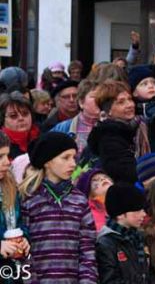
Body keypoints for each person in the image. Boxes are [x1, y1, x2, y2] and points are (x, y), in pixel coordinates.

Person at [20, 132, 97, 283]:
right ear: (47, 161)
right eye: (65, 157)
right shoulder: (28, 200)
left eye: (74, 157)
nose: (73, 164)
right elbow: (23, 253)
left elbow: (88, 250)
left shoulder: (80, 200)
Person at [87, 80, 150, 184]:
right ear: (108, 111)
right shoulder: (108, 137)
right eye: (121, 102)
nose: (129, 105)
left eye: (130, 99)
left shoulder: (138, 126)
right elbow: (127, 174)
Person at [96, 183, 155, 283]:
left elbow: (149, 274)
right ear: (120, 214)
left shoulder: (137, 238)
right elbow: (109, 280)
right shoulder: (105, 244)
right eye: (137, 210)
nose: (144, 214)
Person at [0, 132, 31, 284]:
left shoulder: (10, 184)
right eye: (0, 157)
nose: (7, 162)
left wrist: (24, 238)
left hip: (11, 273)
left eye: (7, 155)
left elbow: (19, 223)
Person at [51, 79, 100, 159]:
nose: (100, 100)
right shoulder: (62, 128)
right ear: (81, 102)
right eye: (94, 97)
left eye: (103, 97)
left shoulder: (112, 127)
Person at [0, 91, 40, 159]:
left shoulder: (42, 135)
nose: (21, 118)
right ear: (2, 119)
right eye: (13, 116)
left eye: (25, 113)